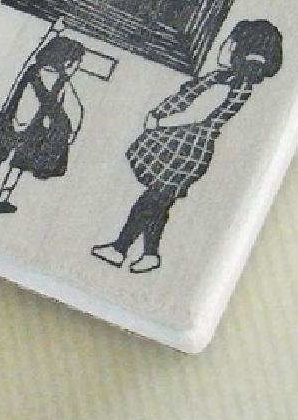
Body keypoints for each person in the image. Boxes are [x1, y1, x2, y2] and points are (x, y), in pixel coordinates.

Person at [92, 19, 283, 274]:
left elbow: (197, 111)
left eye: (230, 41)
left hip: (183, 149)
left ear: (239, 49)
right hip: (189, 148)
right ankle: (149, 254)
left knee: (152, 200)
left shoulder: (226, 82)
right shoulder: (232, 81)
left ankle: (120, 249)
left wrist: (158, 121)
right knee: (160, 202)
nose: (224, 46)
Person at [0, 34, 86, 214]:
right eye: (76, 62)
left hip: (12, 120)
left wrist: (6, 113)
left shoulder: (32, 70)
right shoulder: (62, 82)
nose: (77, 66)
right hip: (35, 129)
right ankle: (1, 200)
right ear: (67, 61)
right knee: (18, 166)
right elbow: (68, 107)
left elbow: (14, 92)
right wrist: (69, 129)